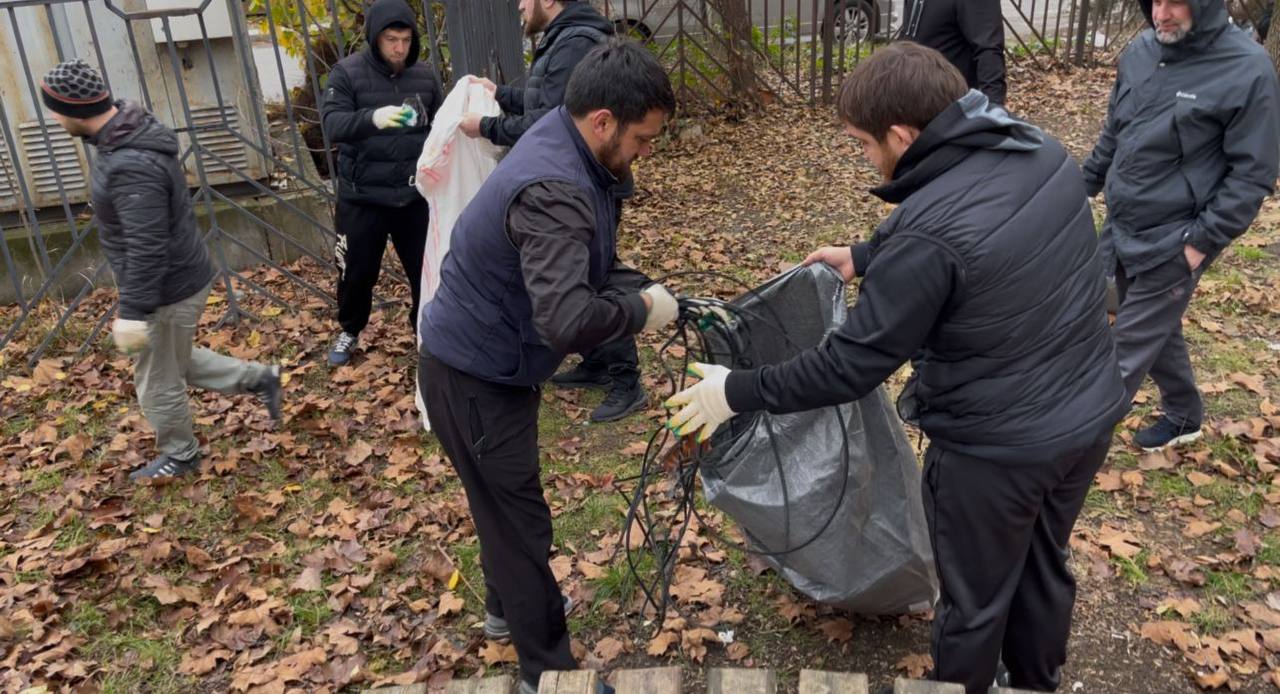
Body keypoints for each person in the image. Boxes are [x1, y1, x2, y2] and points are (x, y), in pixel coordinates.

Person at [665, 43, 1126, 693]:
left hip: (995, 452)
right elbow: (980, 243)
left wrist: (734, 392)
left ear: (903, 135)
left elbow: (849, 366)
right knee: (1042, 565)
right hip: (1087, 414)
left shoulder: (928, 237)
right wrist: (864, 255)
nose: (864, 156)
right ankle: (1034, 681)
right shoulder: (1037, 151)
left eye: (863, 143)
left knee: (972, 603)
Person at [418, 39, 678, 694]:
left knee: (499, 506)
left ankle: (503, 612)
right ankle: (550, 675)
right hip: (475, 379)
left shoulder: (569, 144)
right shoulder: (555, 188)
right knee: (520, 526)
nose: (645, 152)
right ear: (603, 121)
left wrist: (641, 289)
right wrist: (641, 311)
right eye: (642, 139)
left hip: (480, 363)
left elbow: (584, 265)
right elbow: (565, 319)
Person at [41, 59, 283, 481]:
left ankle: (181, 455)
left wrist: (134, 311)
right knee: (177, 360)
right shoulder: (124, 135)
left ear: (73, 110)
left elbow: (147, 245)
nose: (54, 119)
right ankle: (260, 379)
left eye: (55, 110)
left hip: (167, 287)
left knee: (156, 379)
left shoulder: (129, 163)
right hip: (179, 277)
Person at [1081, 0, 1280, 451]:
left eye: (1177, 2)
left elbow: (1252, 175)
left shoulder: (1247, 70)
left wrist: (1200, 242)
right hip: (1124, 223)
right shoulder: (1141, 52)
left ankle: (1064, 449)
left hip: (1179, 236)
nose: (1162, 13)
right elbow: (1114, 134)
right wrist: (1078, 189)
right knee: (1153, 325)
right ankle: (1185, 414)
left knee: (1123, 350)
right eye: (1156, 1)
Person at [461, 0, 648, 423]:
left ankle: (627, 381)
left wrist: (485, 126)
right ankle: (597, 364)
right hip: (582, 180)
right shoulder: (563, 38)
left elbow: (545, 122)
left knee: (596, 276)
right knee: (584, 274)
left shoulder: (574, 43)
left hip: (589, 183)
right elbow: (544, 101)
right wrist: (498, 93)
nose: (520, 6)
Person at [321, 0, 443, 366]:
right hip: (363, 198)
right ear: (375, 38)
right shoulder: (346, 74)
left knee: (427, 271)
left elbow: (440, 126)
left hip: (413, 197)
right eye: (391, 40)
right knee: (356, 273)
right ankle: (350, 329)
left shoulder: (424, 77)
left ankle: (425, 331)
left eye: (406, 40)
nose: (399, 48)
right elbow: (333, 124)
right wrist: (372, 118)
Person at [898, 0, 1007, 105]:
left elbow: (988, 50)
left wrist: (992, 106)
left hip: (946, 102)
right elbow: (910, 33)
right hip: (909, 98)